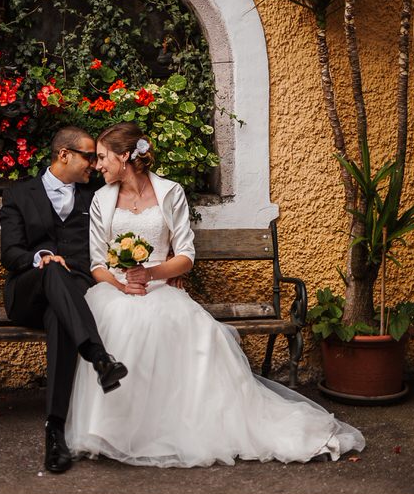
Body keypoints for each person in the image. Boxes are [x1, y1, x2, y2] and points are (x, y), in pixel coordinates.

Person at [65, 122, 365, 468]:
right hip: (116, 290)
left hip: (160, 287)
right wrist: (122, 286)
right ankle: (112, 430)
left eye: (103, 157)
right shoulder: (102, 199)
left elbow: (185, 256)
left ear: (125, 156)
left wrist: (151, 274)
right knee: (116, 319)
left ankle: (171, 425)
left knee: (188, 329)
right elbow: (97, 263)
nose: (97, 165)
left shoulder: (170, 193)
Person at [0, 125, 127, 474]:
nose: (94, 164)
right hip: (28, 293)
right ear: (64, 155)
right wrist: (41, 258)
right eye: (89, 156)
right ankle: (98, 356)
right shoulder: (19, 194)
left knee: (61, 316)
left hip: (71, 299)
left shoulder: (95, 197)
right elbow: (10, 253)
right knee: (53, 269)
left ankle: (55, 431)